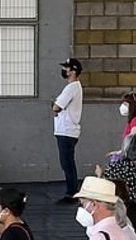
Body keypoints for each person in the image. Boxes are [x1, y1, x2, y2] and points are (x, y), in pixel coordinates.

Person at [53, 58, 84, 199]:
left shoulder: (71, 87)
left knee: (67, 163)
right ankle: (72, 190)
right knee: (68, 162)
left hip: (66, 130)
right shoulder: (74, 87)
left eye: (67, 68)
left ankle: (71, 192)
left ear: (73, 71)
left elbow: (56, 107)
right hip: (68, 130)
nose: (65, 71)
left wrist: (54, 107)